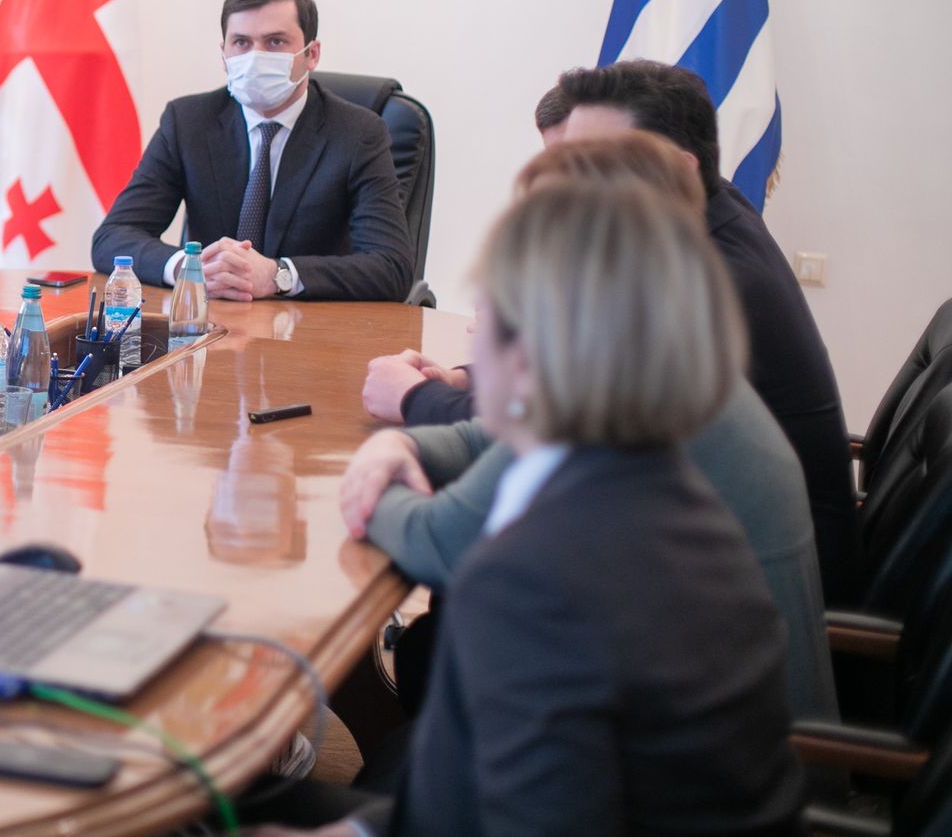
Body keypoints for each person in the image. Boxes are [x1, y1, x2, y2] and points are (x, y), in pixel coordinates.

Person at [258, 180, 803, 835]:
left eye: (482, 314)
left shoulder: (531, 573)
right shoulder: (667, 484)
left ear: (527, 357)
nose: (469, 333)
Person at [342, 132, 836, 723]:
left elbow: (437, 543)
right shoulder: (662, 352)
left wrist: (372, 479)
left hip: (705, 751)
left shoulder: (625, 401)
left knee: (451, 642)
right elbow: (491, 440)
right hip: (698, 709)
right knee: (443, 644)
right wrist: (402, 443)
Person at [363, 59, 861, 600]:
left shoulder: (697, 301)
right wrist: (451, 395)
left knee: (475, 601)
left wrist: (408, 411)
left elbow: (447, 535)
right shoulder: (702, 225)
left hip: (732, 605)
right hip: (691, 575)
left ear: (676, 172)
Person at [92, 0, 412, 302]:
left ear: (311, 54)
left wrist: (278, 275)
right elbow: (112, 237)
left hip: (308, 322)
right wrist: (189, 269)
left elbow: (391, 266)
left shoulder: (358, 133)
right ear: (224, 54)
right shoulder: (187, 122)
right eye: (241, 42)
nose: (255, 56)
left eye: (275, 42)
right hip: (212, 320)